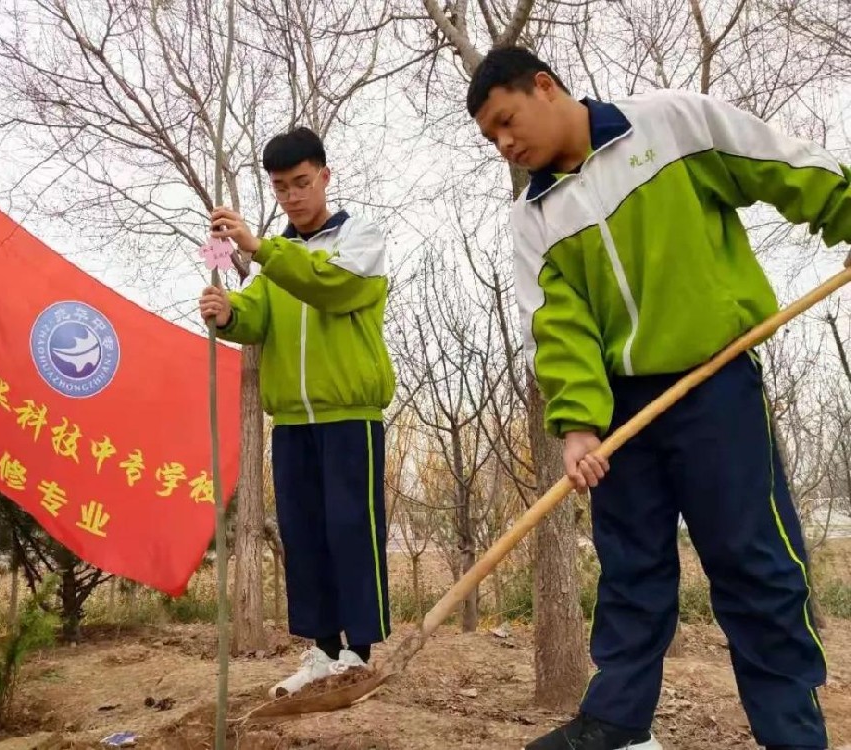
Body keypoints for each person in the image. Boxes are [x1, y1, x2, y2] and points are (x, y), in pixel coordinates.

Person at [466, 46, 851, 750]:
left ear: (545, 86)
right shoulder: (534, 218)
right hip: (619, 412)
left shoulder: (671, 124)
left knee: (752, 561)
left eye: (507, 121)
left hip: (714, 384)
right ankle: (619, 724)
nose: (506, 143)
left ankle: (792, 732)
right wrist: (579, 425)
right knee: (631, 564)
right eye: (492, 138)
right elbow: (559, 325)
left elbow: (781, 164)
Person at [198, 126, 396, 698]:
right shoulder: (274, 262)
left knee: (351, 530)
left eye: (302, 183)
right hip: (291, 422)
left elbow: (330, 287)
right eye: (281, 188)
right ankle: (322, 651)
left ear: (325, 177)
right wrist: (227, 312)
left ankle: (358, 651)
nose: (293, 196)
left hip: (349, 415)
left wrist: (261, 248)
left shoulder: (360, 239)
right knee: (304, 536)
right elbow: (257, 316)